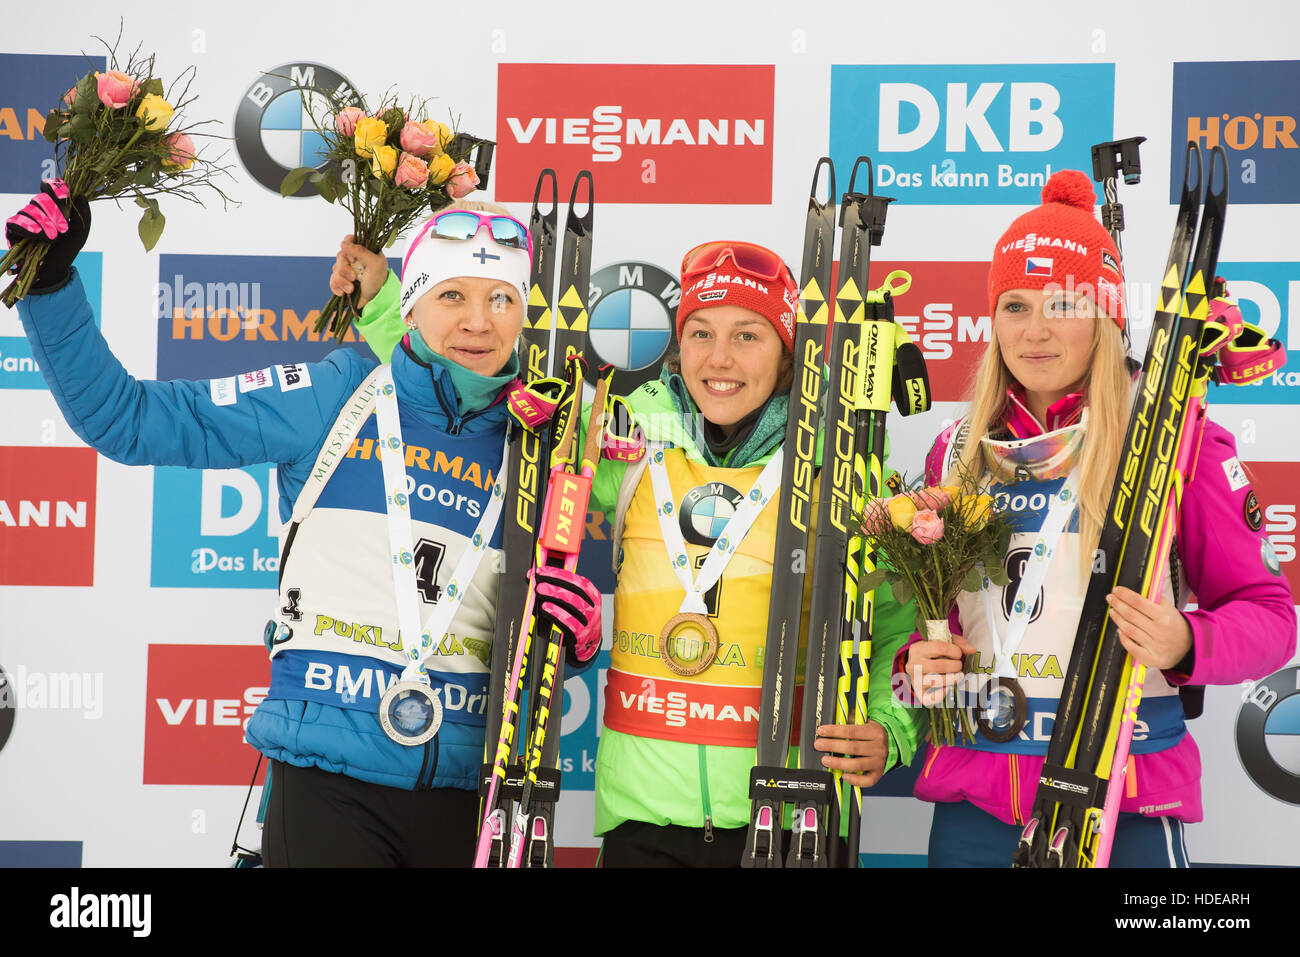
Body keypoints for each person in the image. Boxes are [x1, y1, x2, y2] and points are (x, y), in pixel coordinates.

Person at [7, 185, 602, 866]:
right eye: (453, 296)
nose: (478, 322)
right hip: (327, 783)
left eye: (501, 299)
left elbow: (539, 622)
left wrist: (571, 637)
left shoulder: (544, 440)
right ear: (412, 305)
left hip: (472, 791)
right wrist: (49, 283)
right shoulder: (337, 392)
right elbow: (129, 418)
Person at [336, 237, 926, 867]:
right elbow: (485, 383)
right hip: (644, 825)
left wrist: (891, 731)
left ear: (787, 354)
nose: (719, 359)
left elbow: (900, 629)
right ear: (678, 346)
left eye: (748, 335)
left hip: (789, 819)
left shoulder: (840, 470)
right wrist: (382, 304)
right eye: (700, 333)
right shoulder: (635, 437)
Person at [899, 170, 1296, 867]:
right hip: (977, 803)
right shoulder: (957, 449)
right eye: (1015, 305)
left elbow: (1269, 615)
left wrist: (1184, 642)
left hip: (1124, 799)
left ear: (1108, 315)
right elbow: (936, 630)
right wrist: (920, 661)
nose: (1036, 329)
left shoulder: (1174, 439)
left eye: (1064, 302)